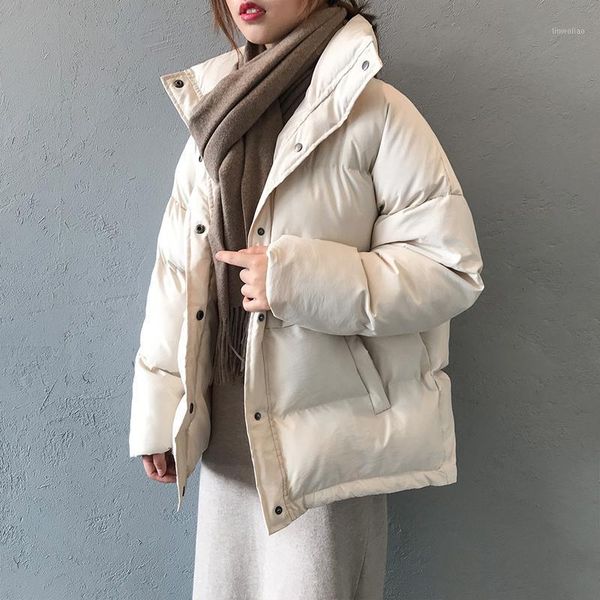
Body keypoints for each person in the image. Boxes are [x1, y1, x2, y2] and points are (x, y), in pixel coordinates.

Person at [128, 1, 485, 598]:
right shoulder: (211, 115)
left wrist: (296, 281)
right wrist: (160, 412)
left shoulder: (375, 111)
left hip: (329, 440)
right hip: (225, 432)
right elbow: (177, 273)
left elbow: (450, 269)